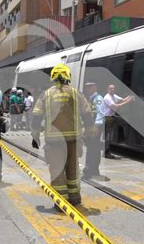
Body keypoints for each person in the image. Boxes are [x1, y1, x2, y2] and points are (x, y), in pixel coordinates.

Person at [31, 64, 96, 209]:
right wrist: (90, 131)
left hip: (54, 141)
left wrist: (35, 135)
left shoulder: (45, 95)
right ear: (68, 77)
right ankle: (74, 198)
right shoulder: (76, 93)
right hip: (73, 140)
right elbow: (87, 114)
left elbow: (36, 115)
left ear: (53, 77)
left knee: (57, 171)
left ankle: (61, 203)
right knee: (72, 169)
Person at [82, 82, 109, 181]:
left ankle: (87, 172)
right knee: (95, 148)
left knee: (91, 149)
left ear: (95, 87)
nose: (87, 89)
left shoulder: (98, 98)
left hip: (95, 126)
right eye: (86, 87)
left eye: (90, 87)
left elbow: (100, 113)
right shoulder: (90, 98)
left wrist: (96, 127)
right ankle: (94, 170)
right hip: (91, 126)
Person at [102, 84, 132, 159]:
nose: (112, 90)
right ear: (107, 89)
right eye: (111, 89)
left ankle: (125, 139)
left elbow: (123, 99)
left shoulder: (114, 95)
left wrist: (130, 96)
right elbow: (116, 106)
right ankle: (106, 153)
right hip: (108, 118)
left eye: (113, 88)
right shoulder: (107, 98)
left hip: (112, 116)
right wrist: (127, 102)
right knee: (108, 136)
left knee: (124, 123)